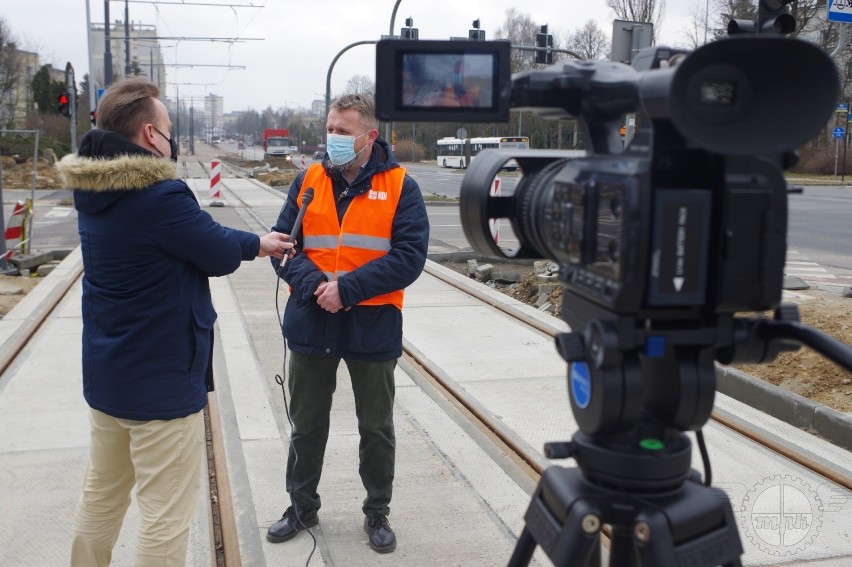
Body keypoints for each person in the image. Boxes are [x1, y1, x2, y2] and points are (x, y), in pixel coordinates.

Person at [56, 76, 293, 567]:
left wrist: (255, 242)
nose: (171, 139)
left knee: (101, 495)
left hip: (109, 373)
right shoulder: (161, 196)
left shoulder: (94, 190)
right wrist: (257, 244)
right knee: (165, 515)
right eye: (167, 128)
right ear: (148, 135)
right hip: (161, 382)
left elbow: (192, 237)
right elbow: (214, 250)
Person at [267, 93, 429, 554]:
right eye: (330, 128)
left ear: (369, 136)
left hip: (373, 323)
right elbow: (282, 246)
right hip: (311, 318)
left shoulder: (401, 186)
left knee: (376, 426)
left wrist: (348, 290)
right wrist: (318, 285)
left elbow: (409, 259)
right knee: (306, 422)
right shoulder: (309, 179)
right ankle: (301, 506)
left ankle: (377, 511)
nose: (332, 138)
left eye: (342, 131)